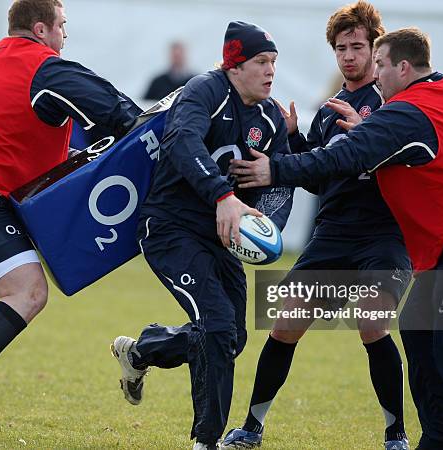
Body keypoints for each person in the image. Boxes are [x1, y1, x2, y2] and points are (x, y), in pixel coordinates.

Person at [230, 27, 443, 450]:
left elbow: (346, 156)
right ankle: (436, 439)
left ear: (403, 66)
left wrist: (276, 169)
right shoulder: (442, 91)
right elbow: (347, 162)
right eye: (343, 49)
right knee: (418, 328)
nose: (372, 72)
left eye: (376, 61)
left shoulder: (406, 111)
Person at [0, 0, 142, 436]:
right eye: (62, 26)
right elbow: (114, 109)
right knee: (29, 292)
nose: (65, 36)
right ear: (41, 29)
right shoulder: (44, 66)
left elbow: (7, 134)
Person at [223, 3, 412, 449]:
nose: (349, 56)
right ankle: (251, 428)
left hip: (382, 234)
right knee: (284, 324)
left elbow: (394, 161)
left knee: (372, 320)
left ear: (375, 48)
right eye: (341, 48)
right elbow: (321, 180)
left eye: (358, 47)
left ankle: (396, 434)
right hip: (333, 235)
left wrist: (368, 130)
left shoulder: (393, 104)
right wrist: (292, 139)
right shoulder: (328, 113)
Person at [110, 21, 293, 450]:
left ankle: (142, 351)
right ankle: (207, 441)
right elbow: (181, 141)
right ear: (235, 66)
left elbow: (280, 182)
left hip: (222, 237)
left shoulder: (270, 117)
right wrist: (223, 195)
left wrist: (267, 227)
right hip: (170, 229)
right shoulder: (205, 91)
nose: (271, 71)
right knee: (217, 327)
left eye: (274, 63)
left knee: (232, 338)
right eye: (261, 62)